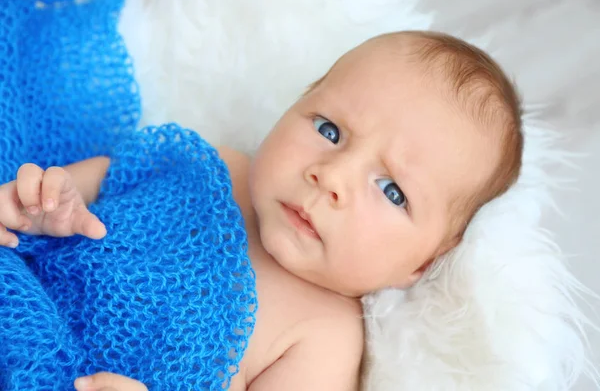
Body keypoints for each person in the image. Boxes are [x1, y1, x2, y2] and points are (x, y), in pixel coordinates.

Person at [0, 30, 523, 391]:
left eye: (392, 191)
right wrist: (49, 203)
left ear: (421, 265)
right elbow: (107, 176)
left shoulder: (325, 337)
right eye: (329, 130)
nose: (332, 175)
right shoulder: (218, 167)